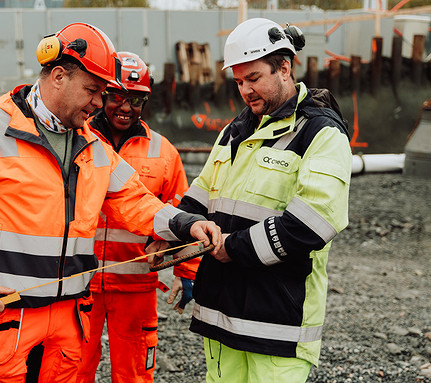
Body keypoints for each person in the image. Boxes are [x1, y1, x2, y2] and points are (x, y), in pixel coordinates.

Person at [0, 23, 222, 383]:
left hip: (70, 319)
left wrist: (187, 224)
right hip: (9, 317)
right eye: (93, 90)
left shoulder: (94, 146)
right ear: (58, 76)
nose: (99, 103)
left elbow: (138, 203)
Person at [149, 18, 352, 383]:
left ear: (285, 67)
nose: (245, 90)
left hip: (277, 323)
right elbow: (199, 197)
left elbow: (314, 223)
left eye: (254, 78)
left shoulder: (321, 133)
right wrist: (174, 231)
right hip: (221, 315)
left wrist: (233, 247)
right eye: (239, 81)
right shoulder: (235, 131)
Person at [76, 51, 199, 383]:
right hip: (77, 283)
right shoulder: (76, 140)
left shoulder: (163, 153)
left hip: (136, 286)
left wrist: (186, 271)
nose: (125, 107)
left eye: (136, 100)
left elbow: (182, 214)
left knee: (134, 374)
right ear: (102, 93)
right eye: (117, 96)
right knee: (71, 368)